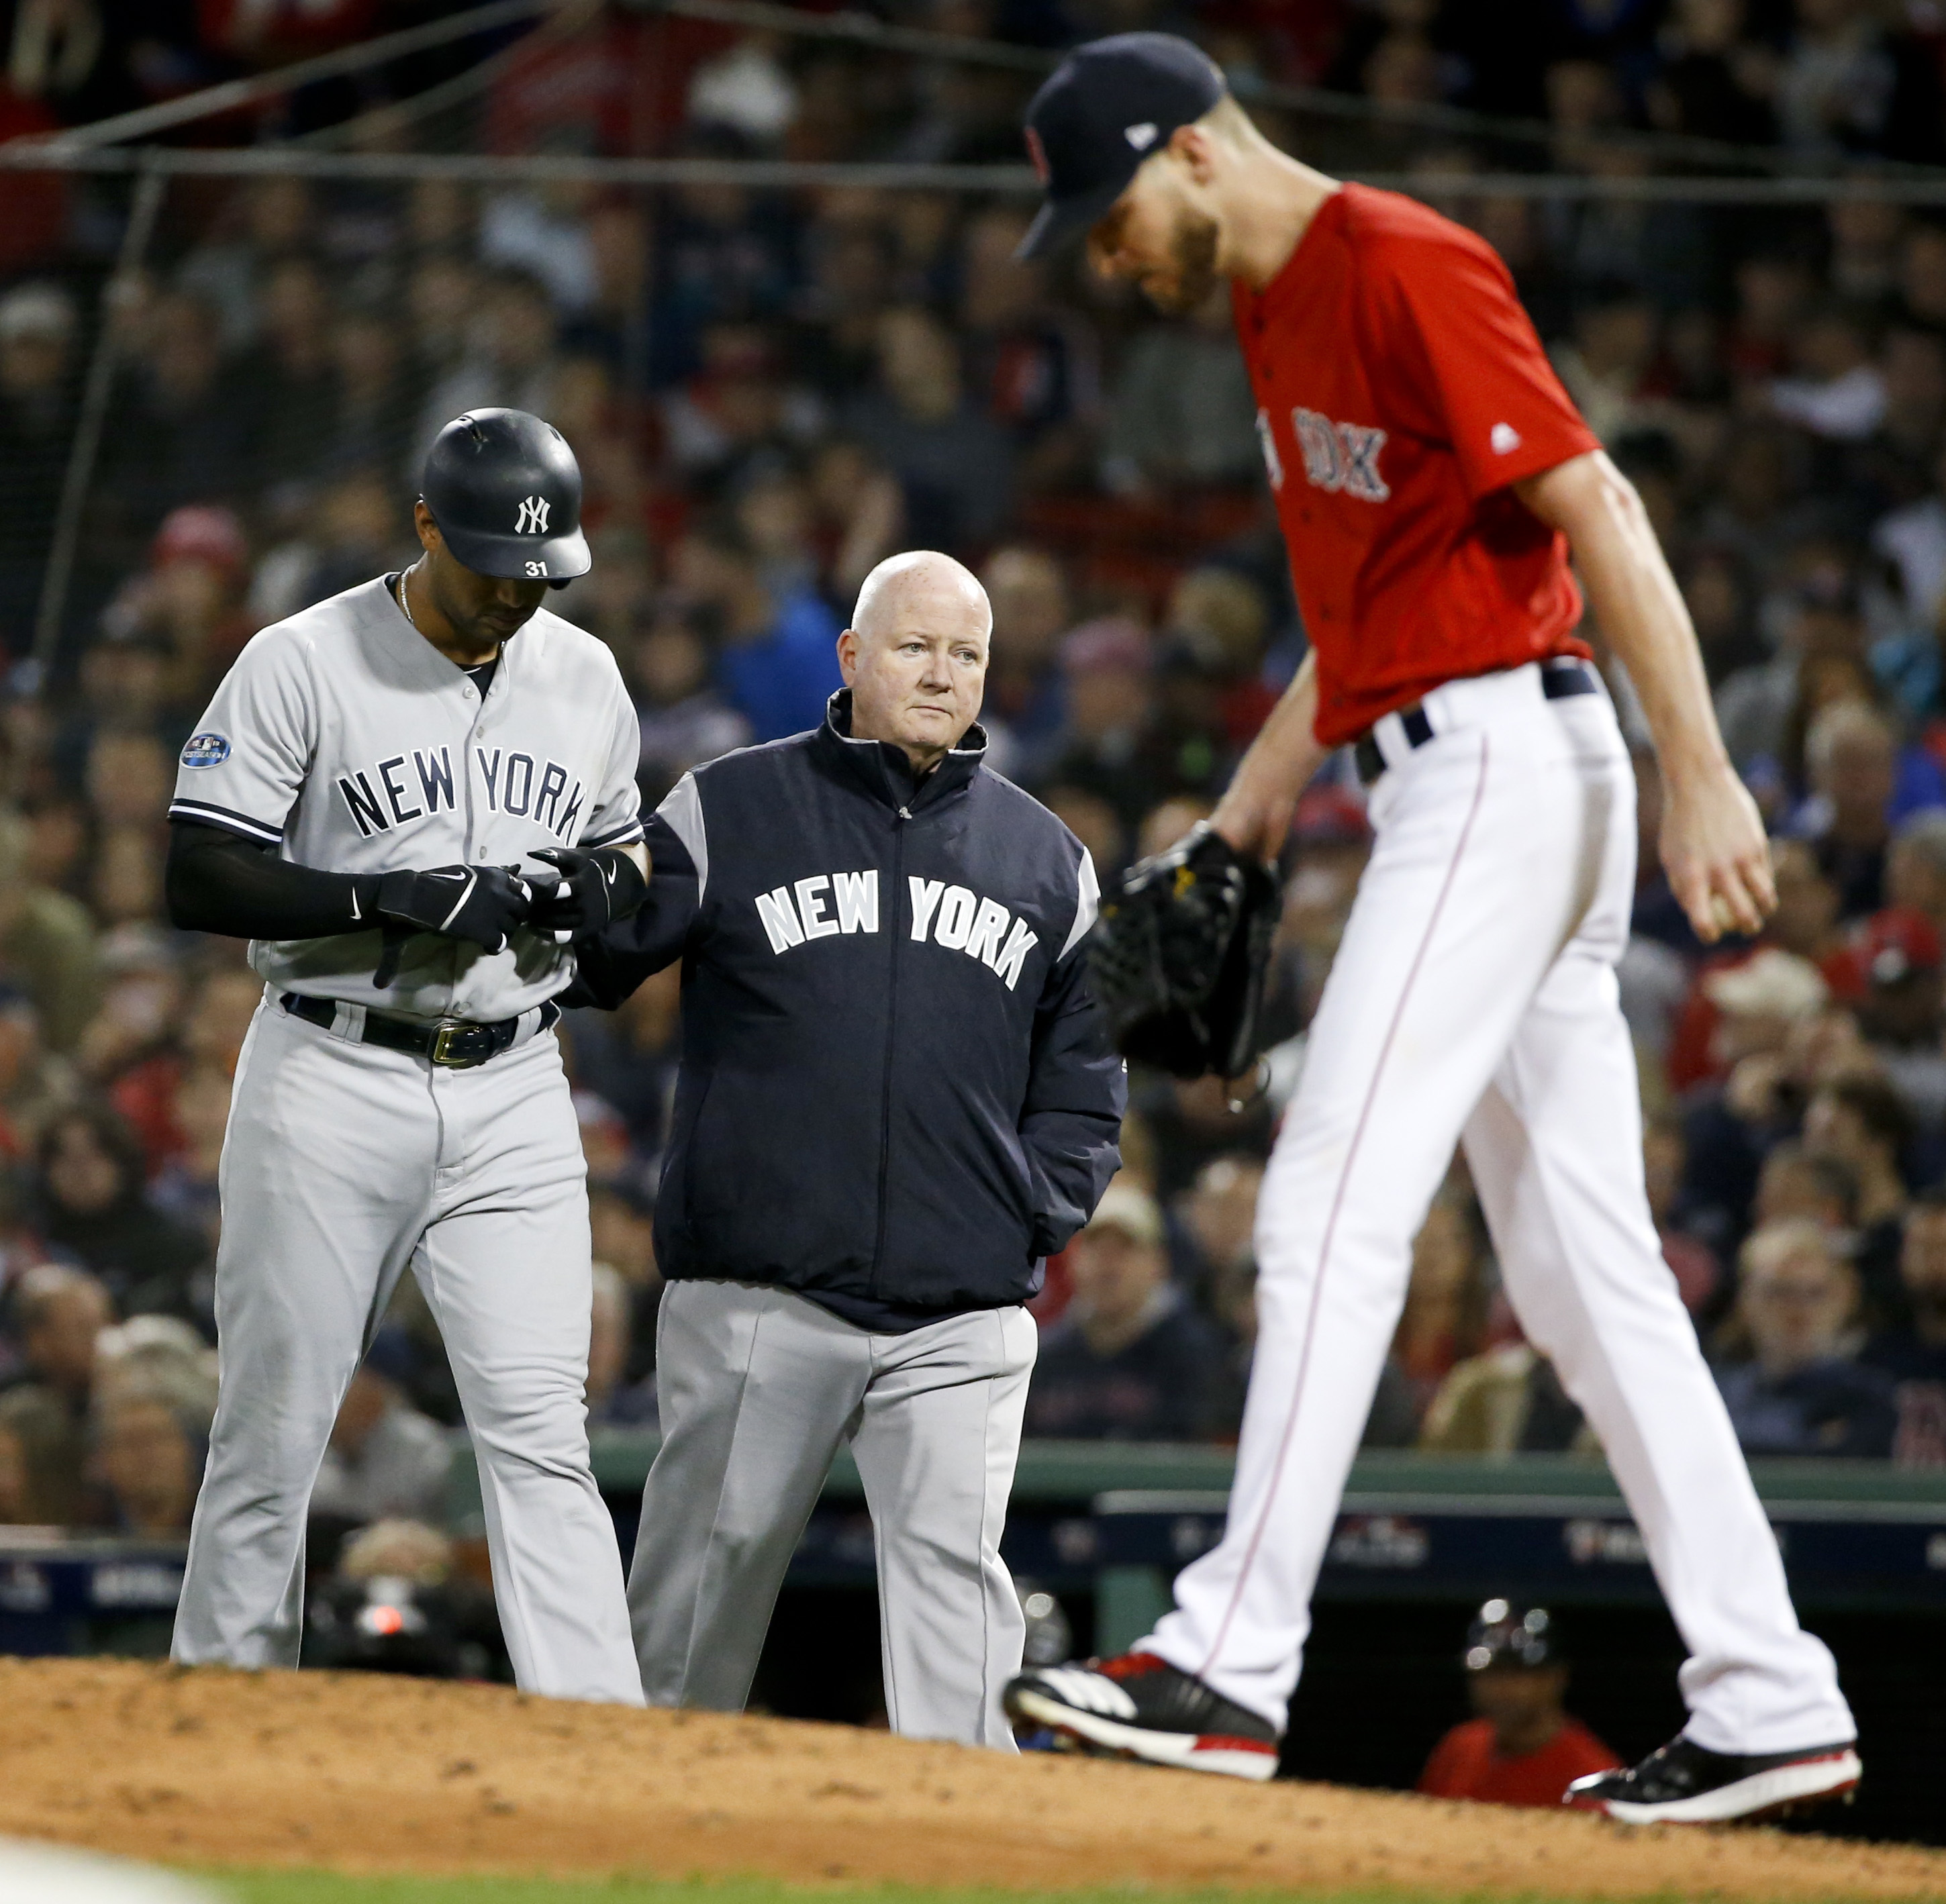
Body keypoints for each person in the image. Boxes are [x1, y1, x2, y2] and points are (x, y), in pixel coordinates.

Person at [1002, 33, 1861, 1822]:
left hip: (1505, 766)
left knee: (1328, 1195)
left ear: (1191, 152)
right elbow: (1367, 602)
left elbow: (1597, 504)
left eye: (1108, 212)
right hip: (1446, 763)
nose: (1103, 253)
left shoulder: (1397, 258)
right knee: (1580, 1274)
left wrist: (1699, 767)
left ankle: (1229, 1656)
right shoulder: (1267, 306)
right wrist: (1240, 812)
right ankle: (1771, 1689)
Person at [571, 549, 1123, 1748]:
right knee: (687, 1620)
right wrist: (575, 871)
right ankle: (623, 1842)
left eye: (965, 653)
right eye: (916, 646)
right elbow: (601, 959)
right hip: (759, 1293)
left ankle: (965, 1870)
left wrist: (1022, 1209)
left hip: (957, 1311)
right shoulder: (729, 805)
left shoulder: (1045, 860)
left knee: (959, 1636)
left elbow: (1084, 1084)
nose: (940, 672)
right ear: (853, 656)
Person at [161, 409, 648, 1704]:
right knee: (272, 1425)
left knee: (544, 1436)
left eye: (539, 571)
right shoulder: (300, 660)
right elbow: (198, 872)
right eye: (491, 562)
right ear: (426, 524)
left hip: (514, 1082)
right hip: (332, 1071)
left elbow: (627, 845)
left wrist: (605, 881)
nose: (514, 593)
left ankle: (597, 1740)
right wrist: (396, 895)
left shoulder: (583, 674)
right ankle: (221, 1709)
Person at [1025, 1181, 1228, 1441]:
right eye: (1096, 1248)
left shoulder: (1195, 1355)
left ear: (1159, 1263)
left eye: (1125, 1249)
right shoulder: (1044, 1356)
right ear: (1073, 1262)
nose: (1108, 1265)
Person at [1714, 1220, 1897, 1459]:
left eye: (1816, 1294)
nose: (1799, 1312)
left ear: (1844, 1302)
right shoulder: (1716, 1396)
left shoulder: (1870, 1399)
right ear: (1746, 1302)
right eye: (1780, 1292)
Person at [1417, 1601, 1620, 1807]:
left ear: (1556, 1678)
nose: (1501, 1688)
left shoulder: (1592, 1777)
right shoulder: (1458, 1749)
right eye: (1491, 1673)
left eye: (1517, 1673)